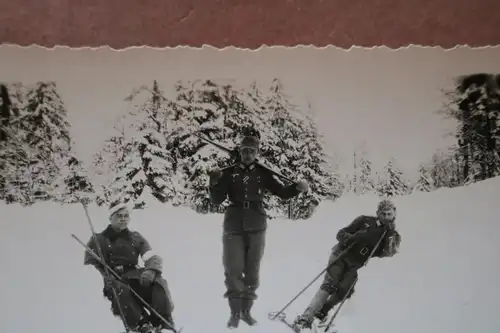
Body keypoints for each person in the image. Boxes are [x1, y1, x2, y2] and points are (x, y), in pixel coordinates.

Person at [208, 135, 309, 329]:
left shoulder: (263, 173)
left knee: (252, 272)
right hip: (234, 226)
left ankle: (247, 311)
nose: (247, 154)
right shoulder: (228, 173)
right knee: (233, 270)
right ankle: (235, 313)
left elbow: (282, 193)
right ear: (239, 151)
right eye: (244, 150)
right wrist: (213, 183)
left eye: (251, 151)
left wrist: (297, 188)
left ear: (257, 153)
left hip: (257, 225)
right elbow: (216, 200)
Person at [292, 199, 402, 331]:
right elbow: (340, 233)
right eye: (383, 213)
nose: (386, 217)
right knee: (329, 285)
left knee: (346, 291)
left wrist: (390, 235)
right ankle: (305, 319)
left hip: (355, 264)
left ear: (394, 215)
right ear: (377, 213)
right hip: (341, 255)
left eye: (389, 214)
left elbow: (388, 254)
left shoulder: (392, 235)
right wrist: (354, 237)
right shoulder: (365, 221)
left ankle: (321, 312)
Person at [83, 203, 176, 333]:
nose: (123, 219)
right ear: (110, 218)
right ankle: (141, 324)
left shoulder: (135, 237)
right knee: (122, 290)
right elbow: (90, 265)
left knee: (158, 282)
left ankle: (162, 322)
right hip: (114, 278)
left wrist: (151, 270)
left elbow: (150, 256)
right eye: (119, 216)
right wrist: (104, 276)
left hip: (134, 275)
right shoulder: (98, 239)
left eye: (126, 216)